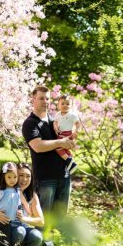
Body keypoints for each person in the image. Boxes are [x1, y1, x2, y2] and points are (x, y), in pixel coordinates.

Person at [21, 85, 75, 215]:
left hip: (64, 175)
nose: (45, 101)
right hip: (46, 179)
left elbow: (69, 136)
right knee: (43, 220)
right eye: (41, 98)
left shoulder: (56, 120)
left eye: (47, 99)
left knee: (60, 221)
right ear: (33, 100)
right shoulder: (30, 123)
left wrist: (71, 141)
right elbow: (38, 146)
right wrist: (60, 142)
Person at [16, 163, 54, 246]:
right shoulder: (5, 191)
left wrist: (23, 219)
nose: (24, 179)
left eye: (28, 176)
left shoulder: (32, 195)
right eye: (21, 175)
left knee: (36, 236)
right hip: (9, 230)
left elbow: (41, 221)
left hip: (23, 229)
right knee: (19, 232)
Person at [51, 94, 80, 177]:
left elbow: (78, 124)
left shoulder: (72, 115)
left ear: (71, 106)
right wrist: (55, 127)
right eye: (62, 103)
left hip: (68, 134)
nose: (65, 105)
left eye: (67, 104)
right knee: (64, 149)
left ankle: (69, 161)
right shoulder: (57, 114)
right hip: (60, 133)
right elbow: (55, 122)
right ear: (58, 105)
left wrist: (76, 131)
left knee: (57, 147)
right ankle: (71, 163)